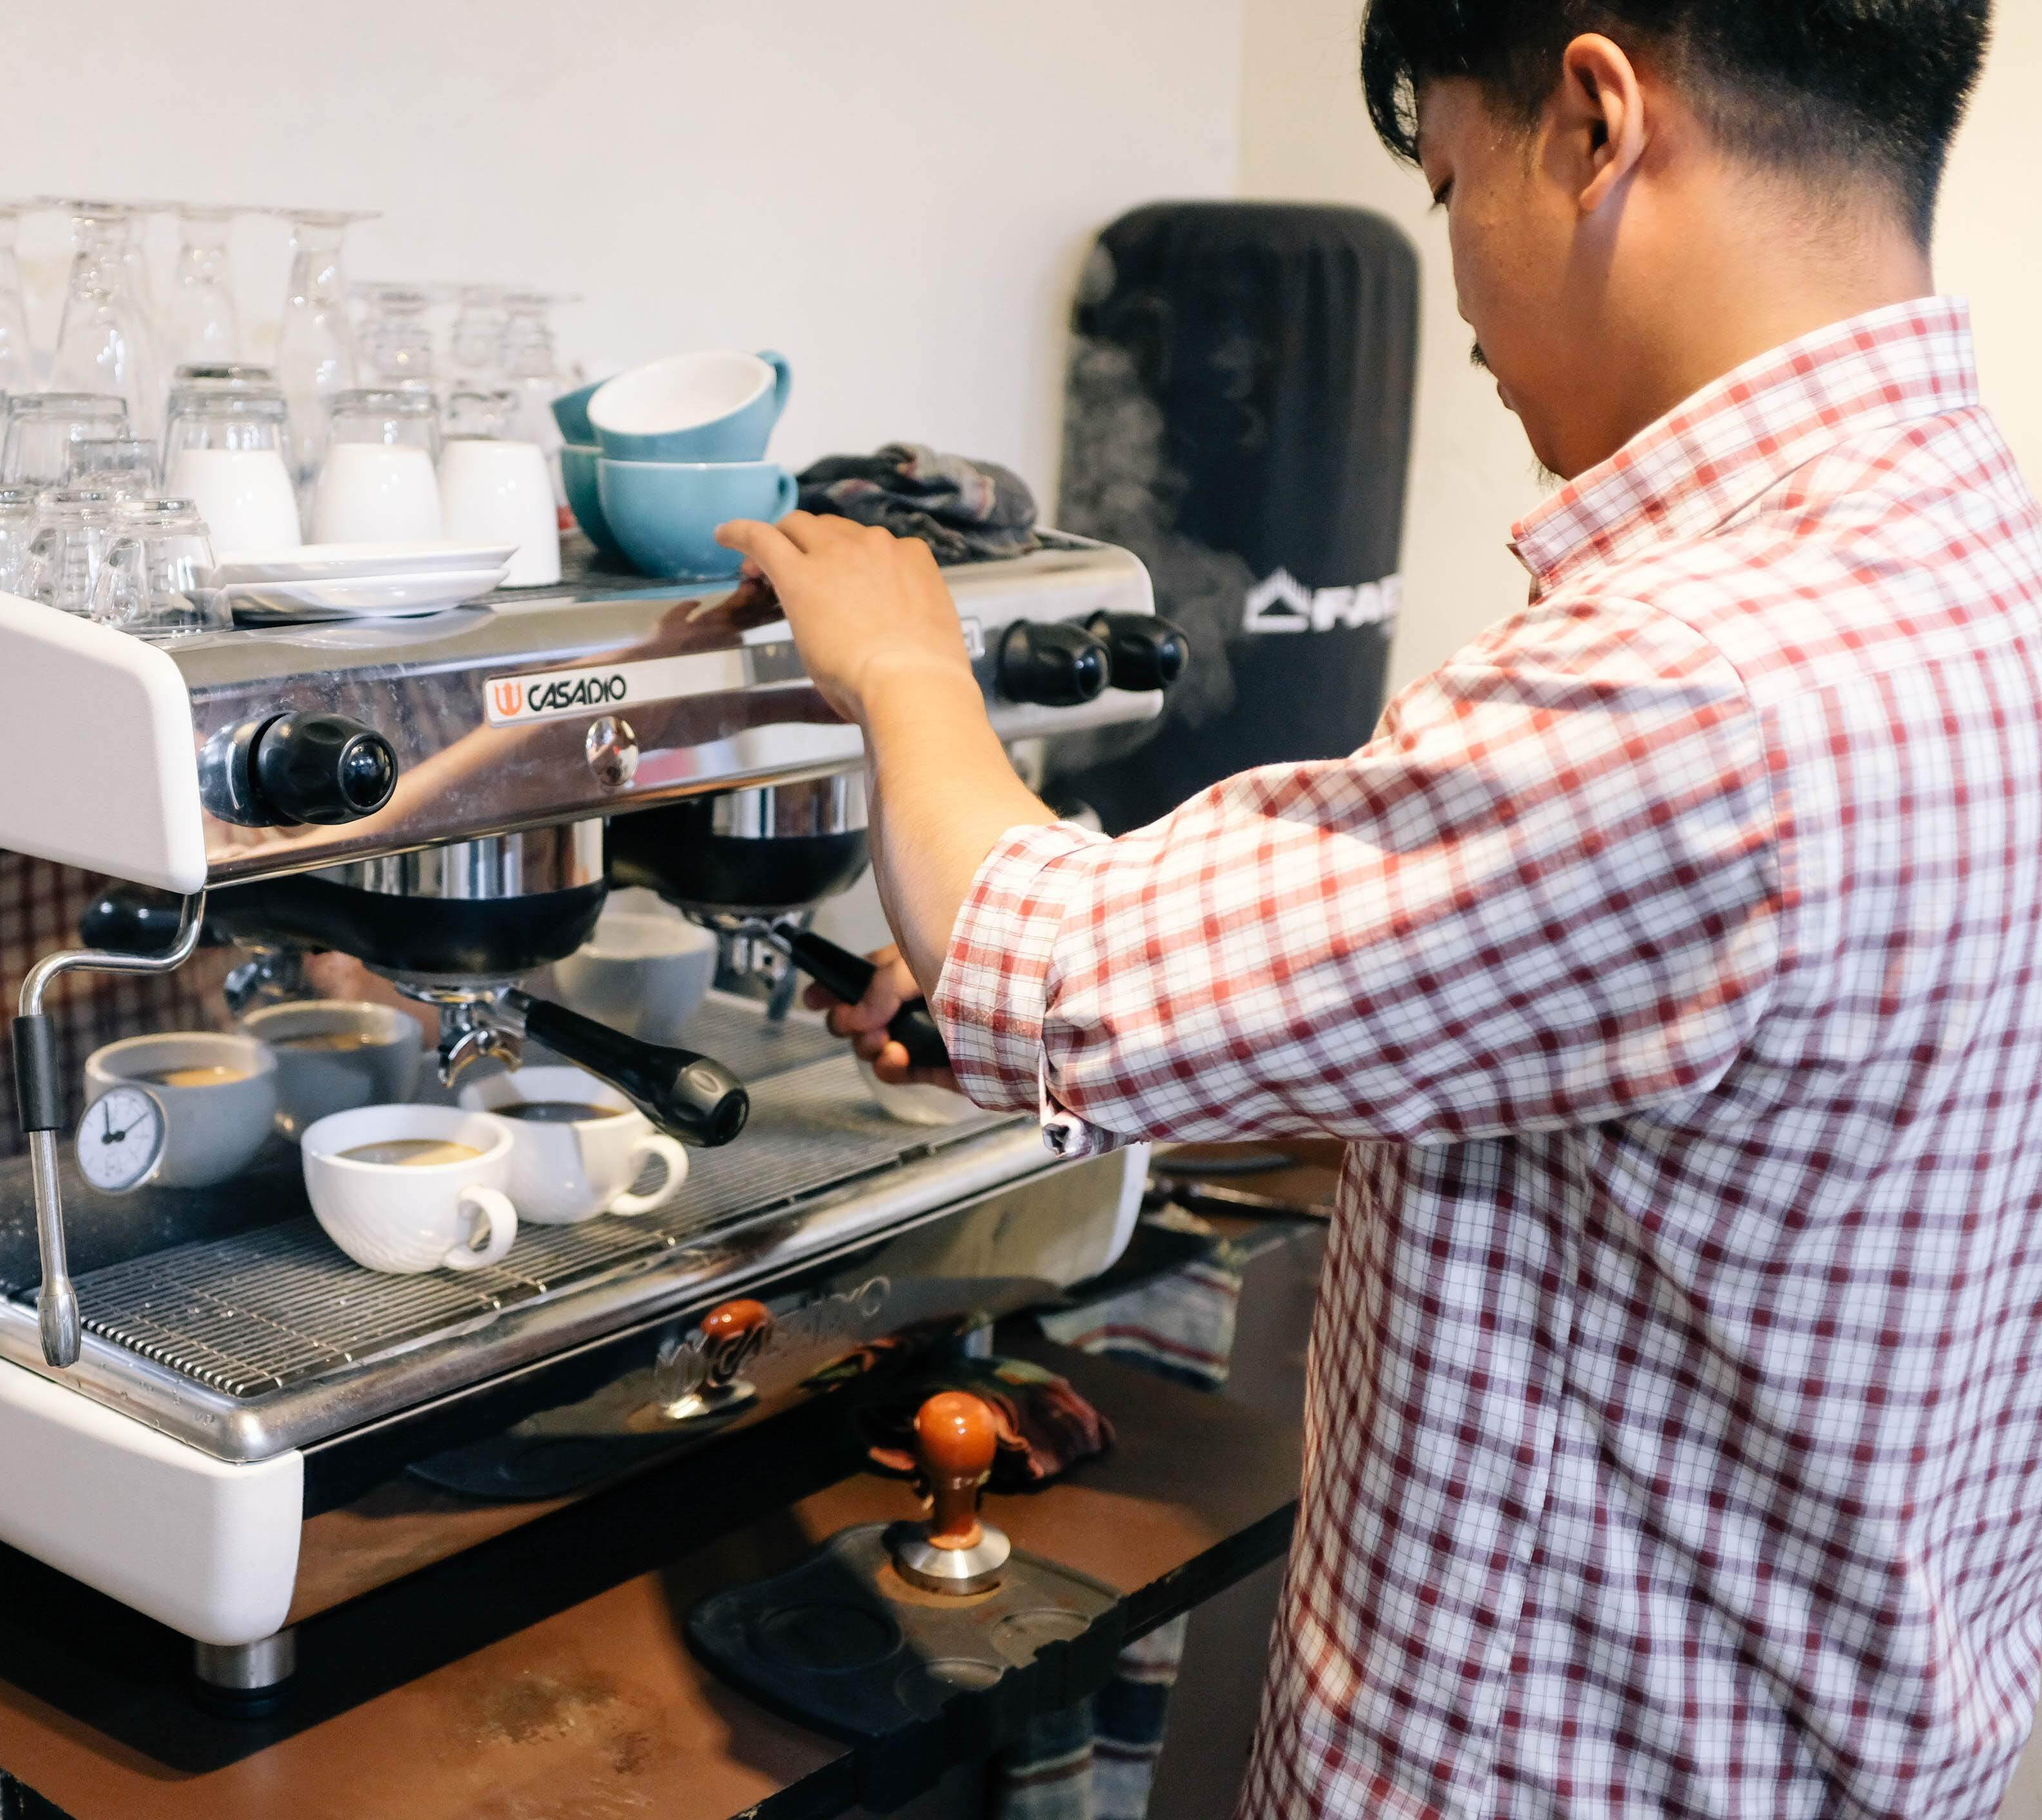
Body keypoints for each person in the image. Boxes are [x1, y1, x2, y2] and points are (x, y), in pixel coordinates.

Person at [720, 3, 2034, 1813]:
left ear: (1593, 123)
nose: (1463, 284)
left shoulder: (1699, 679)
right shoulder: (1973, 561)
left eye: (1449, 181)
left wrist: (903, 663)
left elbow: (1063, 964)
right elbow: (1682, 1117)